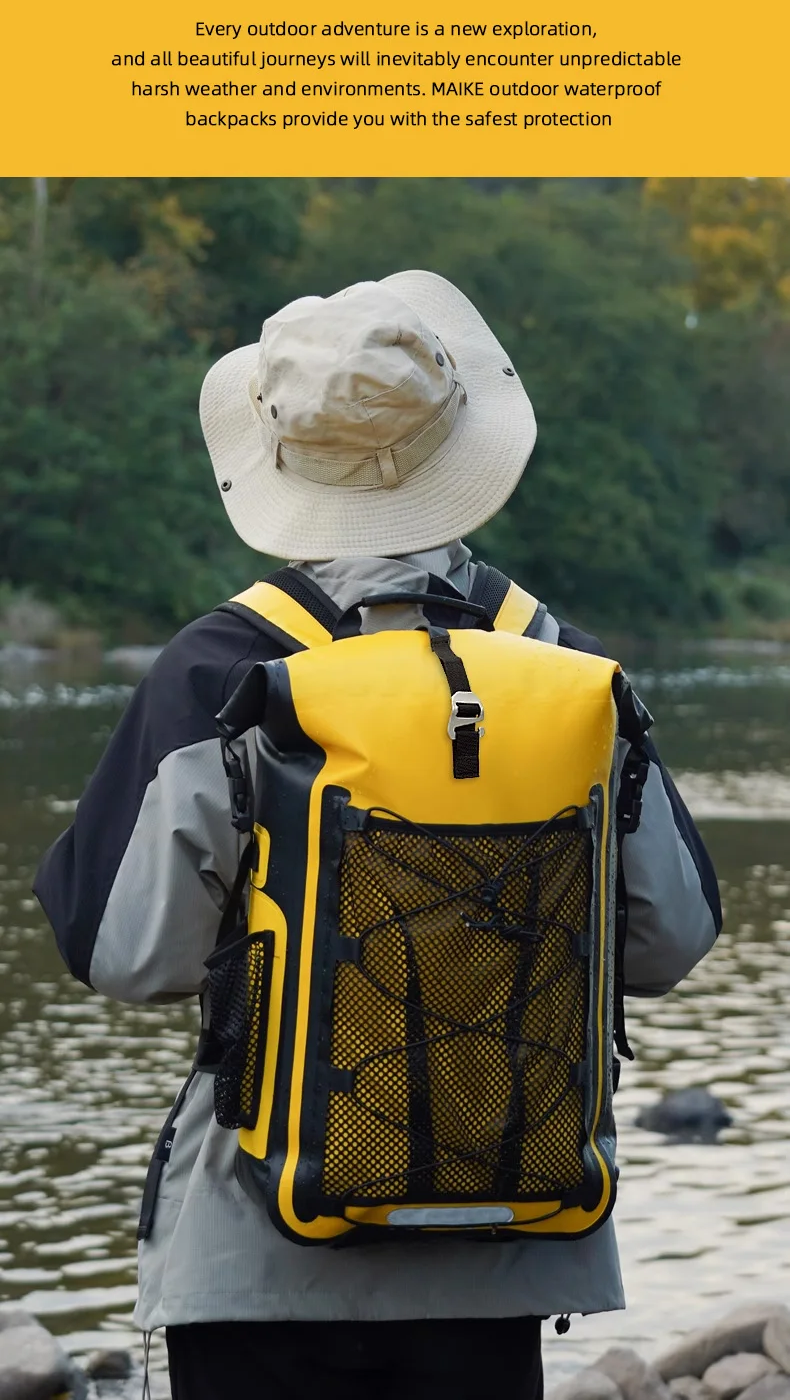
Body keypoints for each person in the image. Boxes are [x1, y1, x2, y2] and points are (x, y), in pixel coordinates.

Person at [34, 271, 721, 1400]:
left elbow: (129, 957)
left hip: (261, 1247)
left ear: (282, 464)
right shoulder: (562, 667)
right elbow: (669, 942)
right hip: (504, 1240)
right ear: (460, 447)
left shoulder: (219, 670)